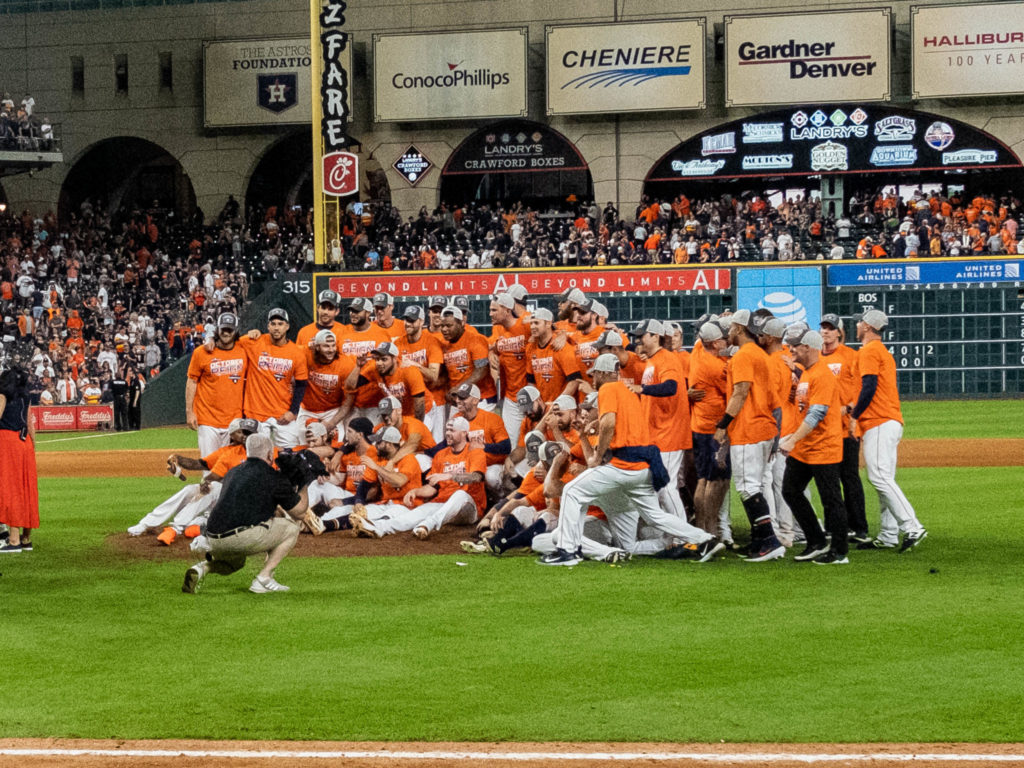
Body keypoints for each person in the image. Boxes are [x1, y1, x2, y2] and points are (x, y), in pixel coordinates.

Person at [542, 354, 722, 566]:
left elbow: (609, 422)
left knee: (573, 491)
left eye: (595, 374)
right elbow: (616, 423)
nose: (593, 379)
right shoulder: (628, 392)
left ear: (604, 373)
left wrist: (598, 456)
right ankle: (704, 539)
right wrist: (595, 429)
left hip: (624, 464)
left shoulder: (607, 389)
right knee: (655, 515)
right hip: (643, 466)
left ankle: (568, 551)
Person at [181, 433, 308, 594]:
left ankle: (201, 569)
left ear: (248, 452)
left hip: (212, 539)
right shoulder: (273, 477)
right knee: (291, 528)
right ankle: (264, 577)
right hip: (238, 538)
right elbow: (300, 512)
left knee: (235, 564)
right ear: (270, 454)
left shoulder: (233, 472)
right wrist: (304, 483)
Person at [851, 310, 928, 552]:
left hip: (879, 421)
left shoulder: (870, 351)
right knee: (885, 477)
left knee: (879, 477)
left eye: (860, 321)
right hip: (888, 420)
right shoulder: (880, 351)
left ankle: (912, 526)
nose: (857, 324)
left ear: (868, 327)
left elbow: (869, 386)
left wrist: (854, 416)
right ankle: (888, 534)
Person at [713, 309, 786, 562]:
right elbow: (776, 404)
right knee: (753, 486)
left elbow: (741, 391)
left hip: (749, 429)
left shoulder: (745, 355)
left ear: (741, 329)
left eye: (732, 327)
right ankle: (760, 540)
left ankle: (769, 541)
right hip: (763, 428)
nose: (729, 331)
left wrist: (723, 424)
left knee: (748, 488)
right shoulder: (762, 355)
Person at [778, 331, 849, 565]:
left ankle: (839, 551)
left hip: (823, 447)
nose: (791, 349)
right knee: (790, 490)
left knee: (831, 500)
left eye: (795, 346)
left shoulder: (822, 375)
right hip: (806, 448)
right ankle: (816, 541)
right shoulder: (808, 373)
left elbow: (816, 414)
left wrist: (791, 440)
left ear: (808, 347)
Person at [819, 313, 869, 544]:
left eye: (831, 328)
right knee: (828, 480)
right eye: (823, 328)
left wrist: (849, 409)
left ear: (839, 332)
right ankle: (834, 526)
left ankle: (858, 527)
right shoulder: (815, 358)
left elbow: (861, 388)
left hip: (846, 427)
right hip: (825, 430)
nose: (826, 331)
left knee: (849, 477)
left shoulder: (851, 356)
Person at [186, 312, 247, 454]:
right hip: (208, 419)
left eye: (230, 330)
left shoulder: (244, 348)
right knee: (209, 467)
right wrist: (190, 412)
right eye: (223, 329)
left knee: (231, 468)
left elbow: (256, 338)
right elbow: (192, 381)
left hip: (234, 420)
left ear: (236, 331)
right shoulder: (202, 352)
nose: (226, 333)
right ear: (217, 330)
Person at [0, 364, 39, 553]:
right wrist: (32, 447)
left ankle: (13, 540)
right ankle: (25, 539)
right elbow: (30, 423)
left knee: (10, 489)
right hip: (25, 443)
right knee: (27, 488)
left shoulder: (3, 394)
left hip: (7, 441)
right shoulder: (26, 395)